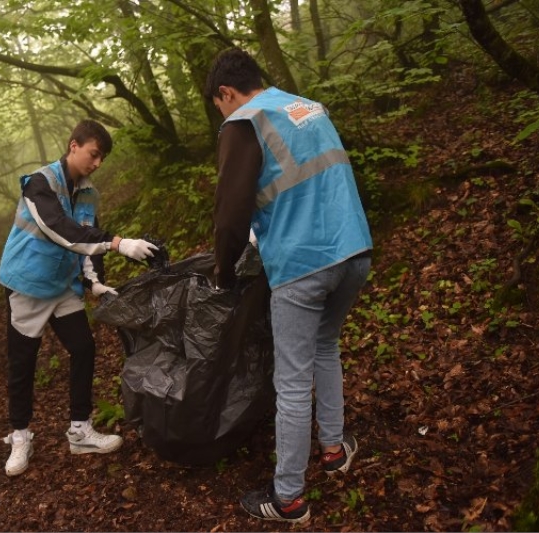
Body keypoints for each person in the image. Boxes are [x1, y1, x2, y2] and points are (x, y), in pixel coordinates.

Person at [203, 48, 373, 523]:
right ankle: (335, 450)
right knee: (327, 346)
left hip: (303, 264)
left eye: (220, 106)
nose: (223, 114)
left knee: (293, 382)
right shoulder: (306, 107)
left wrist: (222, 270)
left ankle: (289, 498)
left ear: (226, 93)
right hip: (354, 250)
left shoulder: (245, 121)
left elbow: (230, 214)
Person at [0, 119, 159, 477]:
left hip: (61, 286)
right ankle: (20, 434)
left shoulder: (87, 192)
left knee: (84, 349)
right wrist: (119, 243)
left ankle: (80, 430)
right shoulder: (39, 184)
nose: (97, 163)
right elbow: (60, 229)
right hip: (27, 284)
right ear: (73, 146)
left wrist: (94, 281)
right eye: (93, 154)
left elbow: (86, 240)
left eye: (102, 158)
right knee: (23, 363)